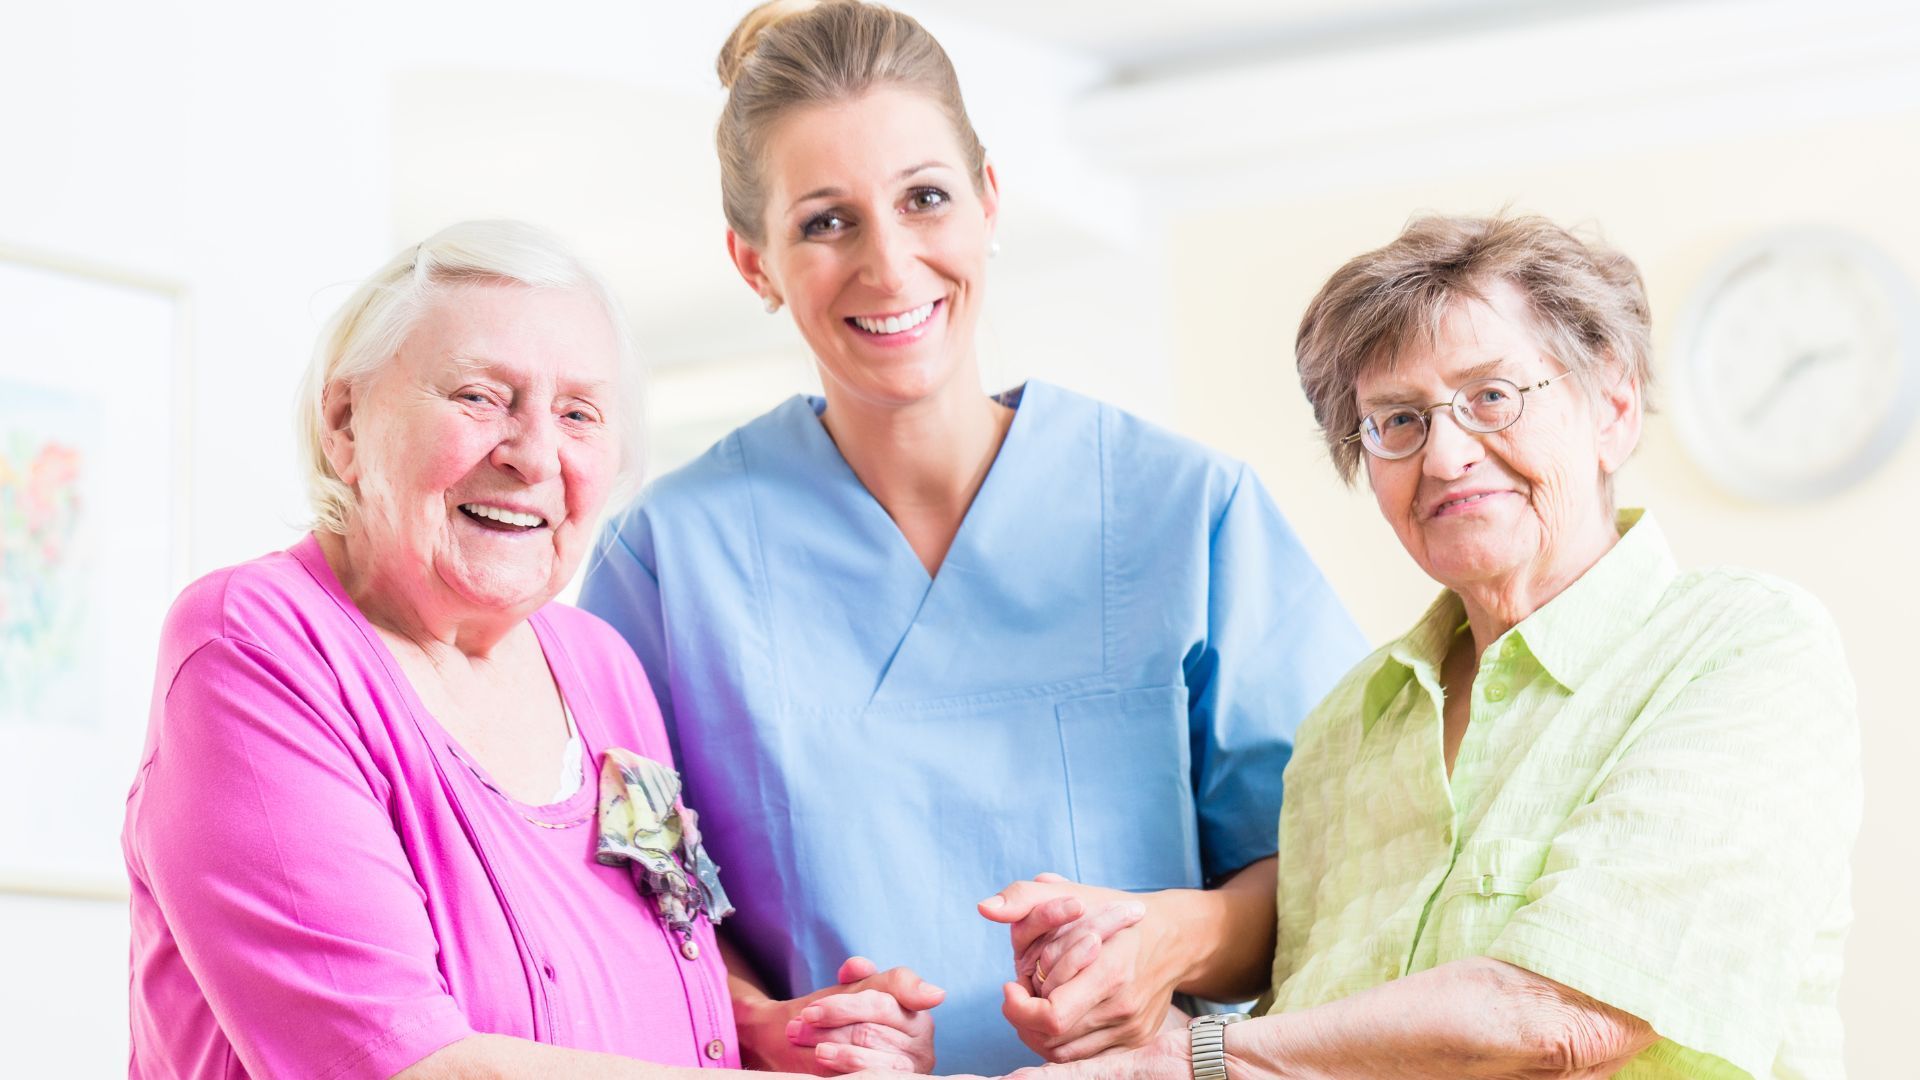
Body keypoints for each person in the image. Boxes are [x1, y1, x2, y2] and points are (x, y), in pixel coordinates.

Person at [577, 3, 1365, 1073]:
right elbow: (613, 903)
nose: (890, 266)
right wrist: (768, 1028)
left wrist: (1165, 941)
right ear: (752, 261)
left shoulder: (1184, 511)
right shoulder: (667, 561)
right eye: (824, 221)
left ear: (989, 201)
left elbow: (1339, 859)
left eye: (925, 199)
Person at [983, 214, 1862, 1079]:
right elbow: (1311, 1047)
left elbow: (1561, 1016)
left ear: (1614, 409)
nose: (1445, 457)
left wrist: (1191, 1060)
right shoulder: (1347, 729)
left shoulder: (1742, 648)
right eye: (1397, 421)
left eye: (1491, 396)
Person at [122, 220, 940, 1079]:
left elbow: (668, 938)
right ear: (345, 420)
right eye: (481, 396)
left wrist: (775, 1034)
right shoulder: (254, 647)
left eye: (579, 413)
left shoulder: (599, 666)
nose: (535, 453)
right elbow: (399, 1064)